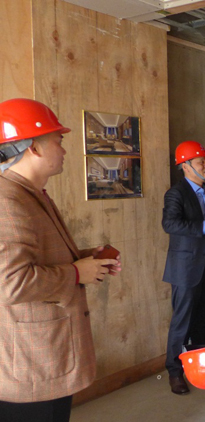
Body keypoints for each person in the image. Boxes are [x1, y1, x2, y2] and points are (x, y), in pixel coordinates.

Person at [0, 98, 121, 422]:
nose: (65, 150)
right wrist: (75, 273)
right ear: (34, 148)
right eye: (58, 141)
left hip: (45, 358)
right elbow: (10, 283)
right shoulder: (7, 201)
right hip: (31, 367)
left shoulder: (30, 193)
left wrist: (86, 259)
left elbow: (35, 258)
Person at [162, 140, 205, 395]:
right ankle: (174, 371)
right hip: (185, 267)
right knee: (182, 320)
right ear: (186, 166)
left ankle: (201, 365)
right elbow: (170, 224)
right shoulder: (176, 193)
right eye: (201, 162)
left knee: (202, 317)